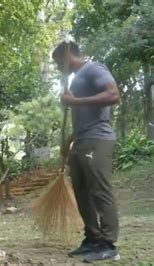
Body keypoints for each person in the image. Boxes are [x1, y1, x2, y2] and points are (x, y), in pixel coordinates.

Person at [52, 41, 120, 263]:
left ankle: (108, 244)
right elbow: (84, 116)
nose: (57, 69)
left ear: (66, 57)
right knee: (82, 192)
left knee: (99, 191)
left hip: (97, 139)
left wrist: (75, 101)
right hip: (81, 140)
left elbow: (113, 95)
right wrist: (69, 141)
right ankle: (93, 238)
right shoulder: (77, 78)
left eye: (57, 64)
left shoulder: (94, 69)